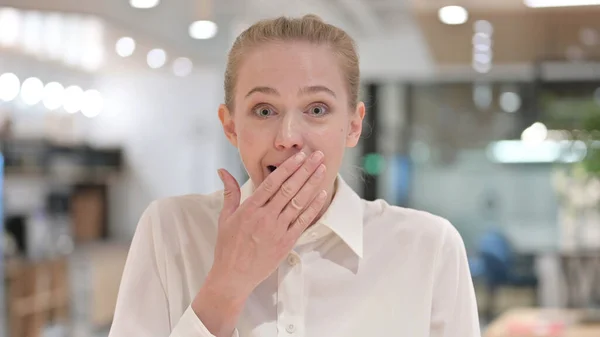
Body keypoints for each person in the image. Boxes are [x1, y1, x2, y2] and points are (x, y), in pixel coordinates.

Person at [108, 14, 480, 337]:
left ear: (353, 125)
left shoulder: (428, 247)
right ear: (231, 126)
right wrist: (227, 285)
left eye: (317, 109)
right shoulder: (172, 230)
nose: (288, 138)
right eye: (264, 110)